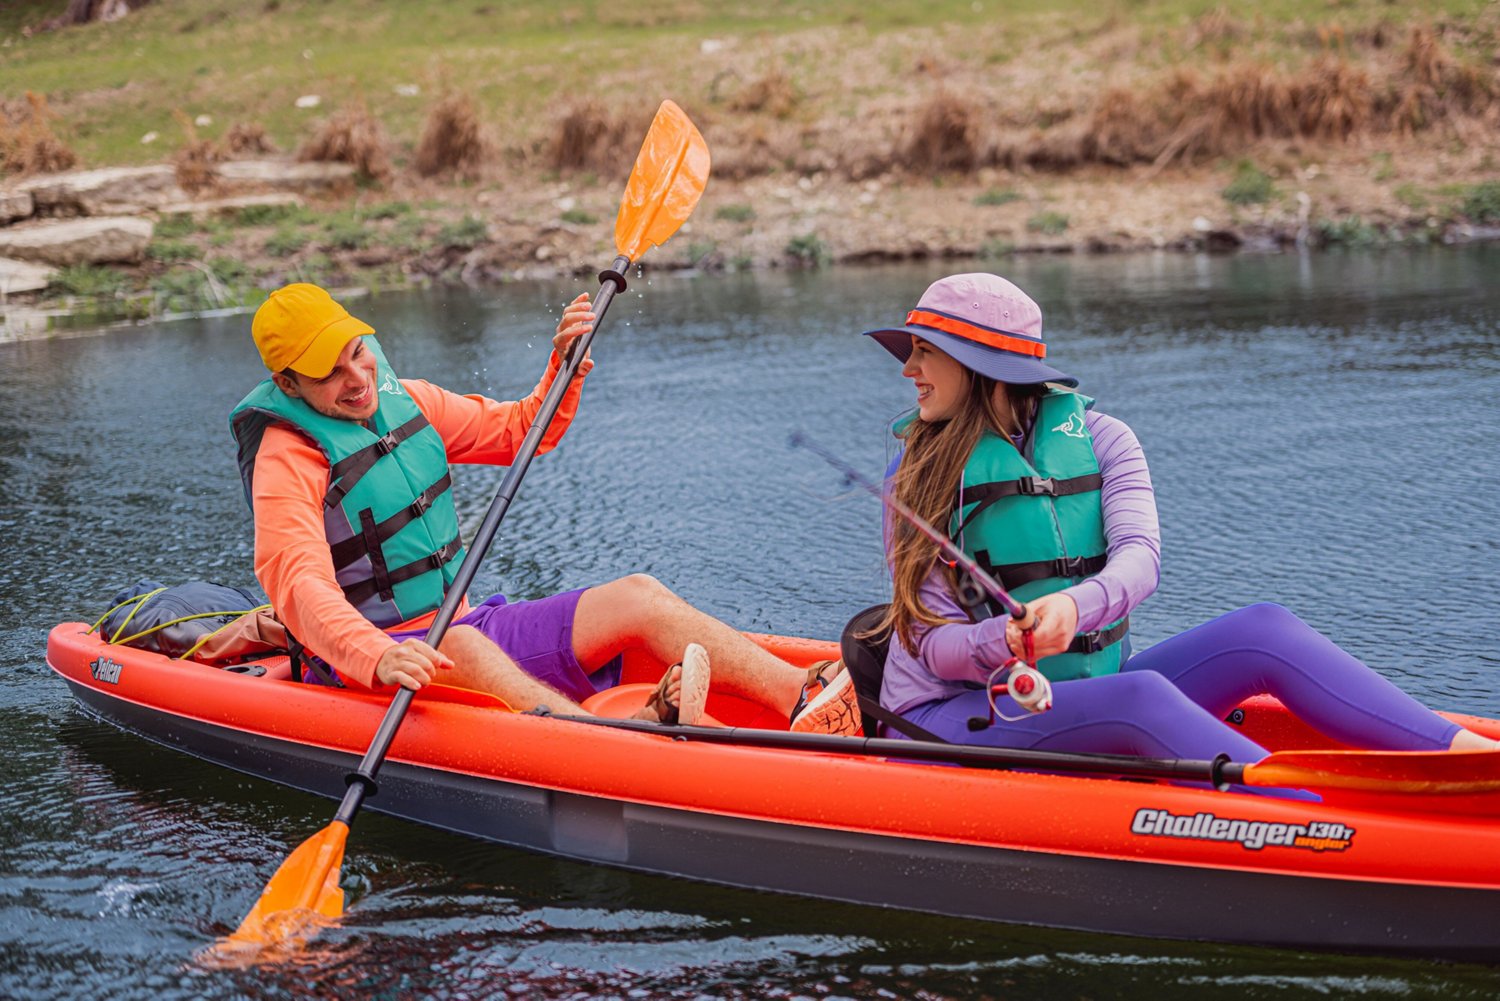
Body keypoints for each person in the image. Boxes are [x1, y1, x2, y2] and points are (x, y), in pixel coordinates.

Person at [860, 272, 1499, 763]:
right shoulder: (915, 474)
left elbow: (1141, 558)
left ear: (979, 365)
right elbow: (932, 647)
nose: (908, 369)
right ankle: (1321, 814)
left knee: (1265, 629)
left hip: (1075, 687)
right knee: (1141, 698)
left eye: (924, 352)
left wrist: (1076, 609)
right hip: (947, 713)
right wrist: (1002, 641)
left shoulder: (1105, 439)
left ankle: (1466, 760)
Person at [230, 282, 860, 733]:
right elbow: (298, 586)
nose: (357, 378)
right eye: (329, 373)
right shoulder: (288, 458)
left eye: (358, 353)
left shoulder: (407, 400)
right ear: (287, 385)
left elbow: (519, 433)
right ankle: (616, 740)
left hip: (459, 627)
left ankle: (807, 698)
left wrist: (564, 369)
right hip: (369, 664)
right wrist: (375, 655)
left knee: (637, 594)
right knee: (467, 650)